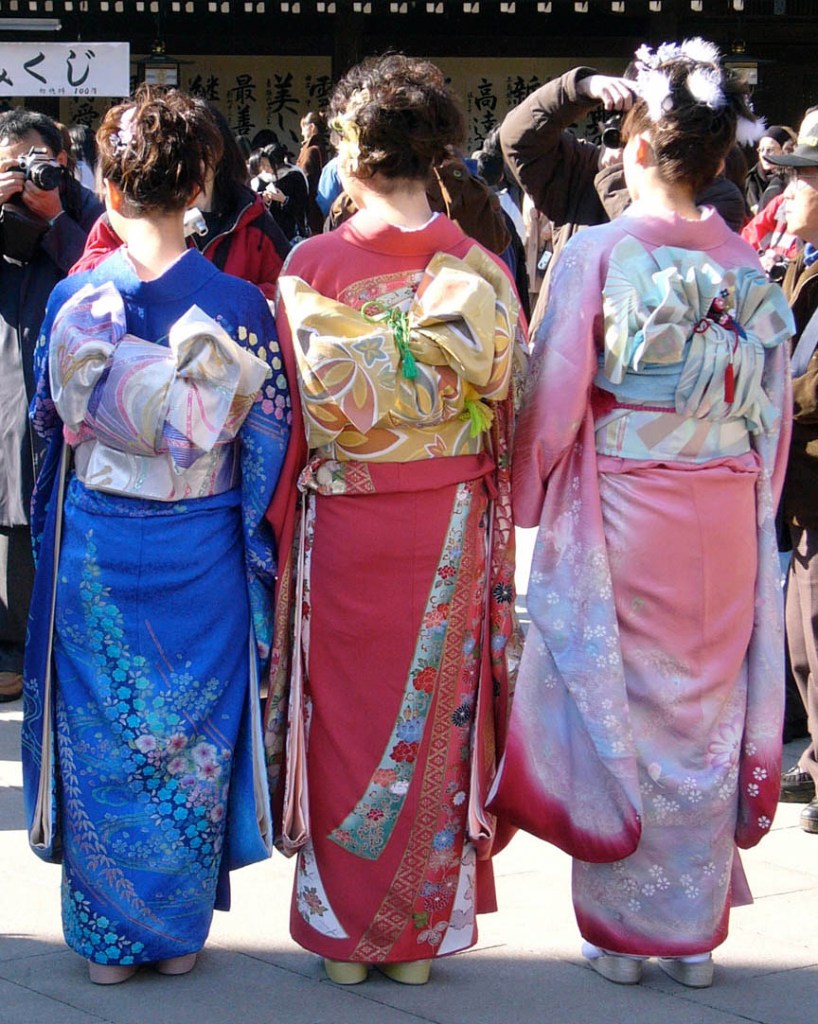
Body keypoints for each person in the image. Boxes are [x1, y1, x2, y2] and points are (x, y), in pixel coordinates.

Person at [489, 38, 793, 989]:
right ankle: (694, 933)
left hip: (630, 508)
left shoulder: (600, 252)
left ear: (637, 148)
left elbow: (556, 397)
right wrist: (757, 506)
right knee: (704, 711)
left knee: (626, 703)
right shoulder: (746, 258)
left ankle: (624, 931)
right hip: (723, 508)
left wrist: (525, 492)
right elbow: (769, 411)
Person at [265, 53, 525, 987]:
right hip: (448, 517)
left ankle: (343, 936)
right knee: (437, 713)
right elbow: (507, 414)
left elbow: (291, 413)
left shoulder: (313, 264)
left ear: (346, 149)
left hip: (346, 518)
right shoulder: (480, 267)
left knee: (343, 711)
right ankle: (413, 938)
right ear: (439, 152)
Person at [21, 87, 291, 984]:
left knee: (104, 732)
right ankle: (175, 935)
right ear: (202, 178)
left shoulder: (73, 296)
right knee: (188, 738)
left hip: (97, 544)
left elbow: (45, 427)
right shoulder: (241, 303)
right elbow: (266, 450)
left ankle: (107, 942)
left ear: (110, 183)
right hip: (201, 546)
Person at [499, 62, 748, 333]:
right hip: (571, 339)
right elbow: (517, 140)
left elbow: (652, 249)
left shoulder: (720, 197)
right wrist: (579, 88)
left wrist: (623, 172)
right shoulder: (585, 168)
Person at [0, 109, 103, 704]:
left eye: (35, 164)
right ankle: (13, 648)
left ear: (62, 164)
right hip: (10, 390)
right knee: (10, 514)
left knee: (67, 514)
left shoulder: (87, 214)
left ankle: (65, 647)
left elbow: (111, 279)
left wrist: (55, 219)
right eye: (11, 167)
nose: (25, 177)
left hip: (74, 405)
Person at [72, 102, 289, 300]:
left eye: (196, 154)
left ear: (220, 156)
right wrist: (141, 254)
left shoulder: (251, 216)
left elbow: (291, 290)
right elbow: (83, 280)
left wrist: (233, 295)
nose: (181, 164)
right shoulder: (120, 218)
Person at [765, 110, 818, 831]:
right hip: (803, 486)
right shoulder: (800, 263)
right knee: (801, 631)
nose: (793, 187)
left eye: (804, 176)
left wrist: (764, 390)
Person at [745, 125, 794, 214]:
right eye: (761, 150)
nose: (764, 155)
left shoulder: (790, 178)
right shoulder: (751, 178)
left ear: (783, 151)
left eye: (770, 150)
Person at [296, 110, 330, 235]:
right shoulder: (320, 147)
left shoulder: (311, 150)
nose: (301, 132)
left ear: (311, 127)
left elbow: (305, 179)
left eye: (303, 128)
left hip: (311, 207)